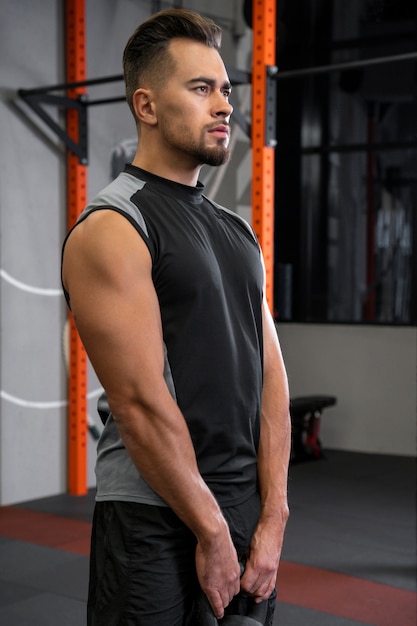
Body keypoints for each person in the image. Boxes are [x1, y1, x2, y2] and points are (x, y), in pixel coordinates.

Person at [61, 8, 291, 626]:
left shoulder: (237, 231)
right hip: (153, 518)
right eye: (200, 88)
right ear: (147, 105)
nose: (224, 105)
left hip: (242, 509)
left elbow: (271, 374)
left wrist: (273, 516)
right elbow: (137, 402)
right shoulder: (112, 228)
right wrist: (211, 531)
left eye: (225, 90)